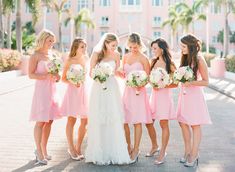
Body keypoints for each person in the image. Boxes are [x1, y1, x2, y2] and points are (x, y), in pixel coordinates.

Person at [85, 33, 131, 165]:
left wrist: (120, 74)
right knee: (99, 117)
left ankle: (114, 151)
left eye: (116, 45)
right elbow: (91, 73)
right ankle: (99, 152)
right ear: (105, 43)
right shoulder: (96, 54)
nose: (114, 48)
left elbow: (117, 71)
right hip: (99, 87)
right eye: (112, 45)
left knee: (113, 116)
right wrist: (100, 75)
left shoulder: (116, 55)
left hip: (112, 87)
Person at [177, 34, 212, 167]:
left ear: (191, 46)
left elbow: (206, 81)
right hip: (184, 94)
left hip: (195, 96)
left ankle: (194, 153)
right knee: (183, 122)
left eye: (183, 46)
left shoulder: (199, 59)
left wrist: (191, 82)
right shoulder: (185, 57)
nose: (182, 48)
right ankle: (187, 151)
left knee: (195, 124)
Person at [29, 29, 61, 165]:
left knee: (49, 121)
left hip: (52, 90)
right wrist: (46, 76)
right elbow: (30, 74)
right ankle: (38, 151)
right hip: (41, 91)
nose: (52, 43)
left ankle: (44, 149)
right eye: (49, 41)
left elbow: (55, 72)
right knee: (41, 121)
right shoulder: (35, 55)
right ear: (43, 40)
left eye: (53, 42)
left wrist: (57, 76)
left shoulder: (52, 55)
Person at [122, 32, 154, 163]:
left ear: (140, 45)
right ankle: (128, 146)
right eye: (130, 47)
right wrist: (120, 74)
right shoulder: (125, 57)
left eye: (135, 47)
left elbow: (147, 77)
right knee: (124, 121)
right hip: (127, 92)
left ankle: (136, 149)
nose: (133, 49)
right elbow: (124, 73)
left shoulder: (144, 59)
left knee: (137, 121)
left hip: (139, 93)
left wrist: (140, 84)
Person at [149, 38, 177, 165]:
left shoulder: (169, 64)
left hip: (165, 97)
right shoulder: (153, 62)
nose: (153, 51)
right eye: (152, 48)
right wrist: (152, 83)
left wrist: (163, 85)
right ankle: (155, 145)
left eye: (155, 48)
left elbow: (176, 83)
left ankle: (162, 152)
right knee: (149, 122)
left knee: (163, 124)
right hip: (154, 96)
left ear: (162, 49)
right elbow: (150, 78)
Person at [60, 38, 88, 160]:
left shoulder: (85, 59)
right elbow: (63, 79)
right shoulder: (69, 60)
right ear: (75, 47)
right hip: (72, 92)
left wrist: (81, 81)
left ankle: (78, 148)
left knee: (85, 121)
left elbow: (86, 76)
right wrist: (73, 81)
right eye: (82, 46)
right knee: (71, 120)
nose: (84, 49)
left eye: (85, 46)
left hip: (83, 91)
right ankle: (71, 148)